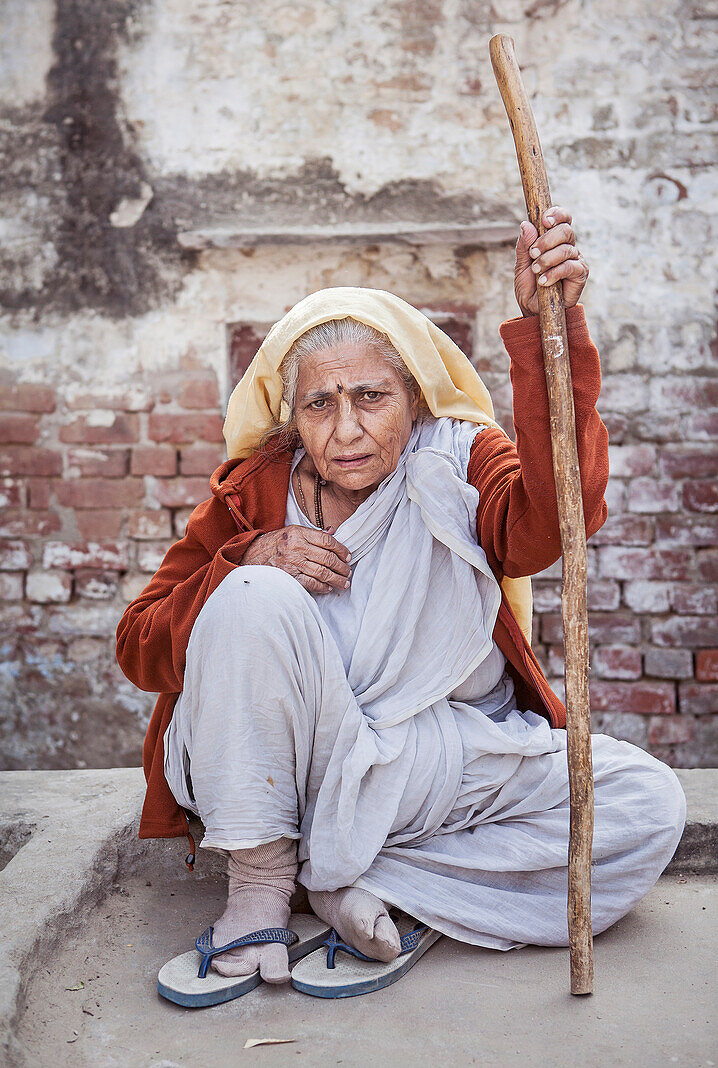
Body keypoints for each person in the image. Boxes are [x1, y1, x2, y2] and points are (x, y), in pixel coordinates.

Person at [116, 208, 686, 1001]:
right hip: (292, 773)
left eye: (371, 397)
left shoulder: (459, 458)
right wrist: (245, 556)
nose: (345, 430)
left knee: (646, 804)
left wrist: (546, 326)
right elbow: (139, 643)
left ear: (415, 397)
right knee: (248, 593)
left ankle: (373, 881)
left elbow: (553, 525)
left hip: (429, 765)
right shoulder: (256, 491)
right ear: (291, 414)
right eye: (319, 405)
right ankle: (260, 885)